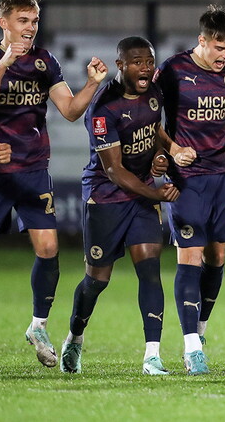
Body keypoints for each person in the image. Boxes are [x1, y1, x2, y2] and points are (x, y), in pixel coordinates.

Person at [59, 36, 195, 374]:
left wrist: (169, 152)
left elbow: (155, 130)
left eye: (149, 61)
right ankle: (74, 339)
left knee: (150, 271)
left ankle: (152, 356)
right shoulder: (104, 108)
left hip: (142, 195)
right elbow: (114, 170)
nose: (145, 68)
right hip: (107, 197)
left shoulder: (153, 93)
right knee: (97, 280)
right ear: (121, 65)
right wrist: (158, 193)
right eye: (137, 62)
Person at [0, 0, 108, 368]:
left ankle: (38, 325)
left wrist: (91, 84)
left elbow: (71, 111)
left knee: (48, 250)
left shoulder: (45, 62)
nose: (31, 28)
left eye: (35, 21)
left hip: (32, 169)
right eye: (23, 21)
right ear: (4, 23)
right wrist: (2, 66)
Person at [155, 5, 225, 375]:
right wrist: (173, 150)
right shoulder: (175, 70)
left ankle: (201, 327)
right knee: (189, 256)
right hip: (187, 178)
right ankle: (191, 345)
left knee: (218, 256)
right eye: (219, 49)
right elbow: (151, 116)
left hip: (220, 175)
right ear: (202, 41)